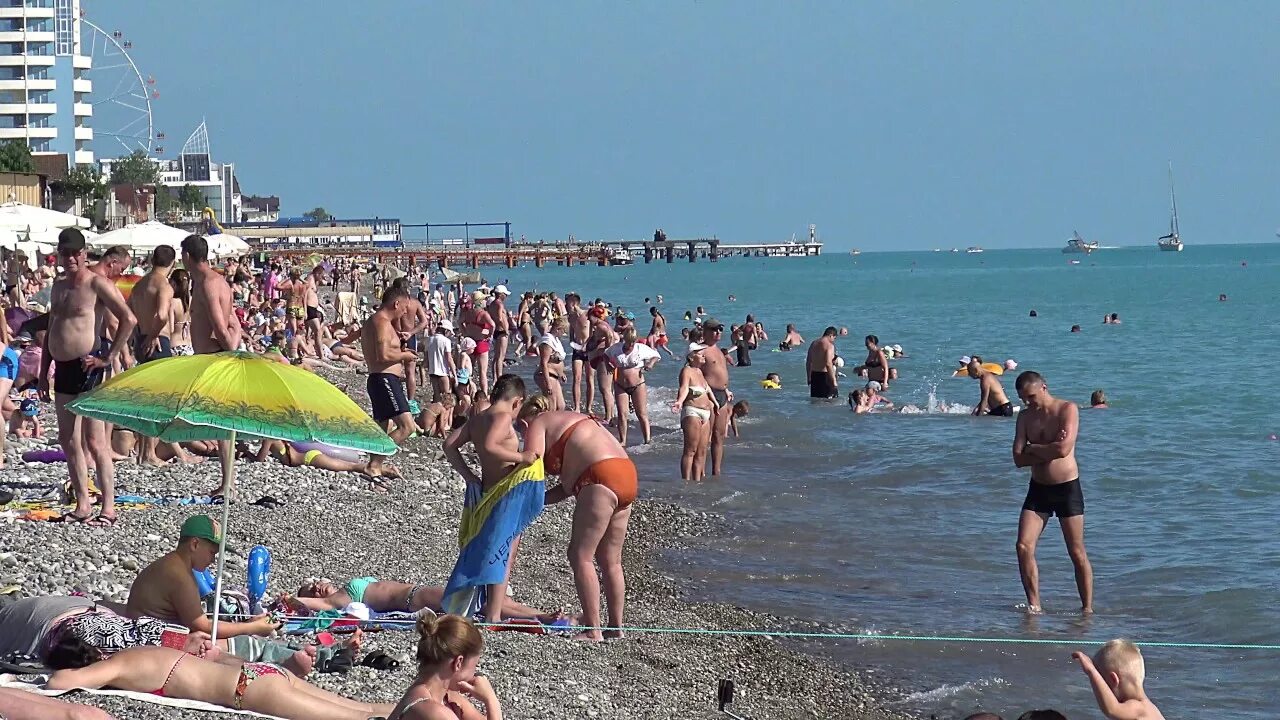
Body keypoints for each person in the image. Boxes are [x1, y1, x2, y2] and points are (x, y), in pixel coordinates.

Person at [519, 396, 635, 641]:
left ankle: (593, 629)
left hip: (599, 475)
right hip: (625, 473)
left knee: (580, 555)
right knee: (610, 559)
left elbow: (531, 459)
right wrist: (535, 502)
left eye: (521, 431)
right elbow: (567, 487)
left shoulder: (539, 423)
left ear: (525, 422)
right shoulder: (570, 419)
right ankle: (615, 627)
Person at [41, 229, 137, 526]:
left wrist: (109, 357)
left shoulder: (96, 283)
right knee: (69, 440)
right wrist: (45, 371)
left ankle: (108, 507)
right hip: (63, 368)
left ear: (84, 254)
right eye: (64, 253)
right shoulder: (58, 287)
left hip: (89, 368)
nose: (69, 258)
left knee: (96, 441)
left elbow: (128, 319)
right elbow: (51, 328)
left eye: (74, 253)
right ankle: (83, 503)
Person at [45, 645, 393, 720]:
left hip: (249, 691)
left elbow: (61, 682)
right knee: (363, 708)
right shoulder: (139, 651)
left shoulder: (116, 667)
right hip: (262, 672)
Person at [442, 375, 537, 623]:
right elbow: (491, 445)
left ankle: (491, 608)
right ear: (517, 401)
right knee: (504, 551)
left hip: (486, 489)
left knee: (494, 549)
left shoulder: (478, 419)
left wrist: (469, 476)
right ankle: (493, 614)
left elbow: (449, 445)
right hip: (504, 493)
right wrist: (522, 458)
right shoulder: (503, 417)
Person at [1012, 371, 1092, 614]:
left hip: (1067, 488)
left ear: (1044, 387)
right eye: (1024, 398)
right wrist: (1048, 448)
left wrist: (1033, 447)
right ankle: (1034, 605)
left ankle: (1087, 609)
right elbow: (1018, 458)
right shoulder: (1025, 417)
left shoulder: (1067, 409)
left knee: (1076, 552)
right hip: (1038, 490)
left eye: (1031, 396)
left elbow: (1064, 449)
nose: (1028, 402)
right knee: (1023, 546)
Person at [182, 235, 242, 498]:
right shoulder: (218, 281)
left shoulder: (207, 284)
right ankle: (228, 481)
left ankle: (229, 484)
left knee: (221, 423)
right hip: (216, 355)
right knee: (221, 423)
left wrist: (231, 354)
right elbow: (234, 324)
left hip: (215, 357)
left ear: (186, 256)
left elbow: (220, 326)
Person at [387, 613, 502, 720]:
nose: (474, 674)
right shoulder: (434, 712)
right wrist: (491, 700)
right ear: (458, 663)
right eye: (474, 666)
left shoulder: (443, 696)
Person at [361, 286, 419, 478]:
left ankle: (374, 465)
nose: (405, 312)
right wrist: (406, 355)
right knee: (407, 427)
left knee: (382, 427)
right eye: (404, 307)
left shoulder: (377, 321)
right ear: (396, 303)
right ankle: (374, 464)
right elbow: (383, 355)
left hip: (379, 379)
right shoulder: (382, 322)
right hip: (384, 379)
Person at [1073, 639, 1165, 720]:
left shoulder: (1139, 708)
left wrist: (1091, 671)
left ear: (1113, 680)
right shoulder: (1151, 708)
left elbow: (1112, 710)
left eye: (1103, 683)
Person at [605, 327, 660, 445]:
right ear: (624, 339)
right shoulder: (616, 348)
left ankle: (647, 440)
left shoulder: (641, 348)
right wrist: (608, 365)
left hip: (638, 385)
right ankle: (622, 440)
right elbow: (606, 355)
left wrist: (650, 363)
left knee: (641, 413)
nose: (630, 344)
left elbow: (656, 356)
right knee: (622, 413)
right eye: (628, 341)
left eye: (632, 342)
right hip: (620, 385)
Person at [671, 345, 717, 481]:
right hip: (692, 411)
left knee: (701, 453)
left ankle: (696, 483)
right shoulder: (687, 371)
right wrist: (679, 401)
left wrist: (716, 402)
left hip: (706, 414)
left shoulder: (700, 372)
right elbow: (684, 388)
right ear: (691, 357)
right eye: (700, 353)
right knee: (690, 450)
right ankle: (685, 482)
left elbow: (708, 390)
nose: (703, 355)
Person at [698, 319, 734, 477]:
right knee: (706, 437)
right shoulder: (701, 351)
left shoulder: (719, 351)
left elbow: (721, 372)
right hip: (708, 395)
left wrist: (726, 390)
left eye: (719, 329)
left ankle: (716, 472)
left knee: (719, 436)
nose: (717, 332)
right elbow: (693, 374)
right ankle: (700, 472)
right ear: (704, 332)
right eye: (713, 330)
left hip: (722, 395)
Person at [535, 317, 568, 411]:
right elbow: (543, 363)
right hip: (547, 375)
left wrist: (561, 373)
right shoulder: (547, 341)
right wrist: (548, 383)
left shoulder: (556, 340)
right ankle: (546, 423)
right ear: (558, 329)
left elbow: (558, 361)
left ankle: (556, 424)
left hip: (555, 375)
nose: (564, 333)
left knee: (561, 406)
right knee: (551, 405)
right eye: (563, 330)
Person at [426, 319, 456, 403]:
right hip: (443, 372)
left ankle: (437, 415)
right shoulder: (446, 341)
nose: (449, 334)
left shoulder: (429, 339)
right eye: (449, 332)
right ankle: (446, 416)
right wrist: (454, 375)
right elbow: (449, 359)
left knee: (436, 397)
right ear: (446, 330)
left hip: (432, 372)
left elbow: (426, 359)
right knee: (447, 397)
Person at [805, 327, 839, 400]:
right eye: (834, 338)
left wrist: (809, 377)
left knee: (815, 402)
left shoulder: (814, 343)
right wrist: (834, 382)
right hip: (826, 377)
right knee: (830, 403)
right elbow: (828, 363)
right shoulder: (829, 346)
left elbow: (808, 361)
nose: (833, 341)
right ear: (831, 335)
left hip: (814, 376)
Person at [487, 284, 512, 373]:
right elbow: (500, 318)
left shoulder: (492, 303)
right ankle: (499, 377)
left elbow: (491, 316)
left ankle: (495, 379)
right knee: (501, 357)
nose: (506, 296)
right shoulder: (499, 304)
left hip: (496, 331)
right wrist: (506, 330)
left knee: (496, 357)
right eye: (505, 294)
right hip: (501, 331)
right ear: (501, 294)